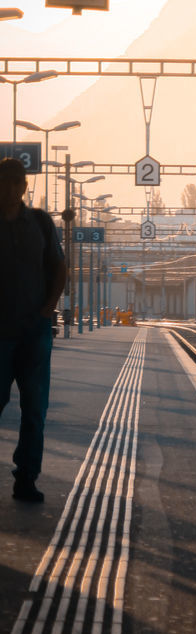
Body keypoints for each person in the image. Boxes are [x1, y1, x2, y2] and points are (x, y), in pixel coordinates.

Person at [0, 157, 67, 503]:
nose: (11, 188)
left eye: (16, 182)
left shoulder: (40, 223)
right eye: (5, 181)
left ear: (25, 187)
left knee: (35, 410)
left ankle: (26, 477)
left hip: (33, 332)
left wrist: (46, 311)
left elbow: (59, 268)